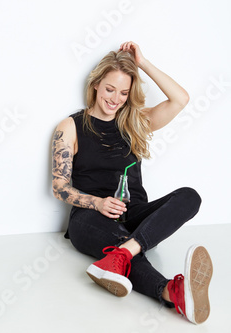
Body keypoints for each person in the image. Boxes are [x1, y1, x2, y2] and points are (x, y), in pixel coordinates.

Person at [51, 41, 213, 324]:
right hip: (89, 218)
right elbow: (59, 187)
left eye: (124, 92)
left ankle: (123, 254)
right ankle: (171, 291)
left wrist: (144, 64)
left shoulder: (135, 122)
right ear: (96, 85)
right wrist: (98, 203)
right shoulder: (70, 126)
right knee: (121, 242)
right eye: (110, 89)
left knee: (190, 196)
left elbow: (181, 99)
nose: (115, 99)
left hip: (133, 213)